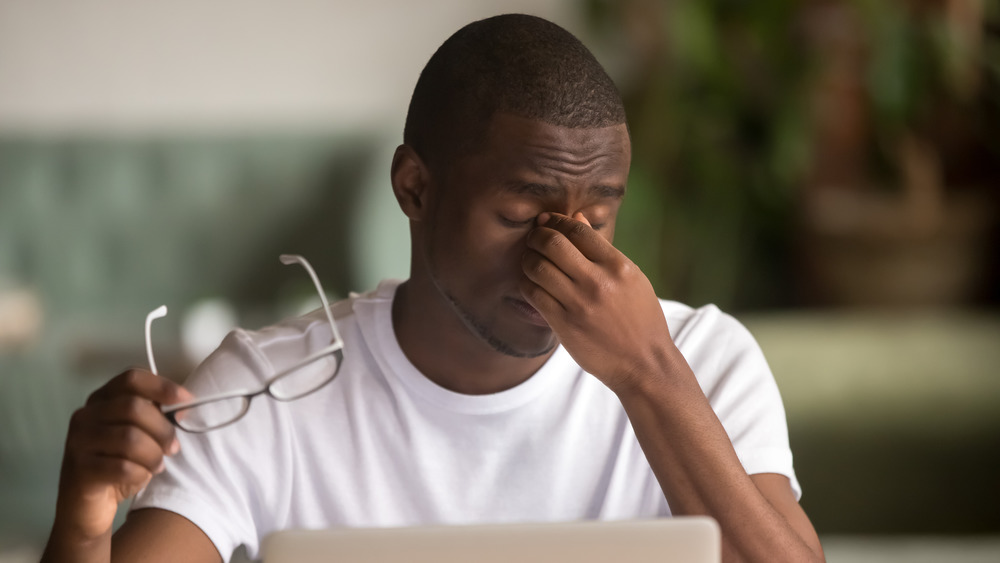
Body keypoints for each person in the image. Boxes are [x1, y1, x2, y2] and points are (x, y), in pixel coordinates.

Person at [42, 14, 824, 563]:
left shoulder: (701, 360)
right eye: (520, 214)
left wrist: (646, 373)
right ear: (415, 187)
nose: (565, 255)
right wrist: (82, 526)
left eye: (597, 216)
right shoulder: (266, 388)